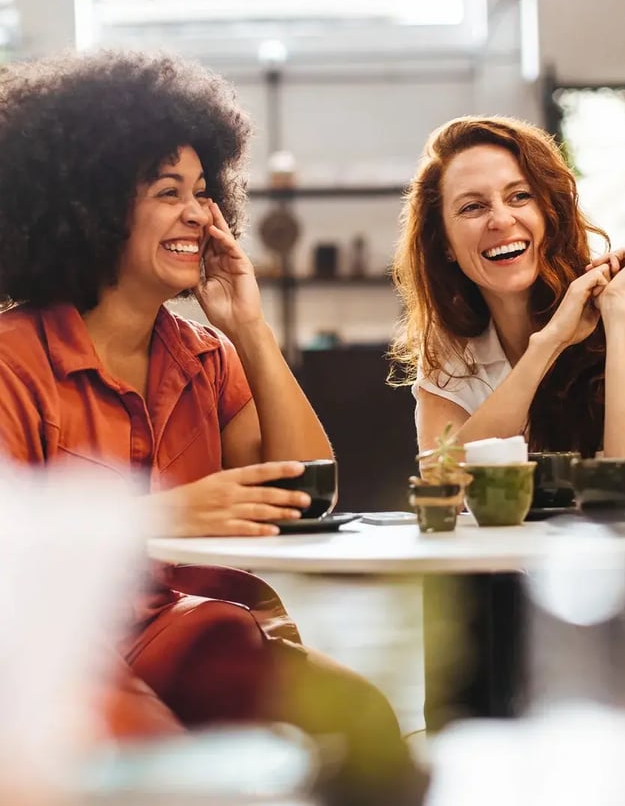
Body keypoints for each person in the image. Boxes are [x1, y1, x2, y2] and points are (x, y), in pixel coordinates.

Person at [0, 51, 426, 805]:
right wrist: (153, 517)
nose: (201, 213)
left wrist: (251, 329)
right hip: (68, 654)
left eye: (204, 192)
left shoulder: (207, 355)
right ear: (92, 206)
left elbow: (306, 494)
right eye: (169, 193)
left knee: (363, 719)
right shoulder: (15, 359)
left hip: (207, 639)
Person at [390, 115, 625, 513]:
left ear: (549, 212)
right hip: (515, 568)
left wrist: (618, 315)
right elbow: (443, 485)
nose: (502, 220)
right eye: (473, 206)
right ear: (446, 244)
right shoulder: (449, 341)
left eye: (520, 196)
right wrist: (549, 342)